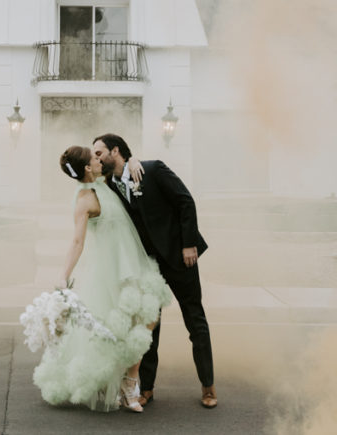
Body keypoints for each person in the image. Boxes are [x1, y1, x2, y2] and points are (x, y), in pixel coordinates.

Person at [30, 145, 171, 412]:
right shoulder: (85, 198)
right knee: (120, 327)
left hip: (133, 262)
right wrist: (63, 275)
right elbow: (77, 240)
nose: (100, 159)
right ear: (86, 167)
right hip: (111, 268)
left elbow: (123, 167)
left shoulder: (103, 182)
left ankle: (128, 381)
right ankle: (126, 385)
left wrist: (133, 160)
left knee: (148, 316)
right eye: (95, 157)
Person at [92, 133, 217, 409]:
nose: (97, 158)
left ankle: (208, 386)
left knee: (195, 320)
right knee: (149, 326)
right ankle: (146, 388)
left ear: (116, 150)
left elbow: (186, 202)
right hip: (148, 265)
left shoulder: (152, 169)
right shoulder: (109, 186)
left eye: (100, 153)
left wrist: (189, 245)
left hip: (180, 257)